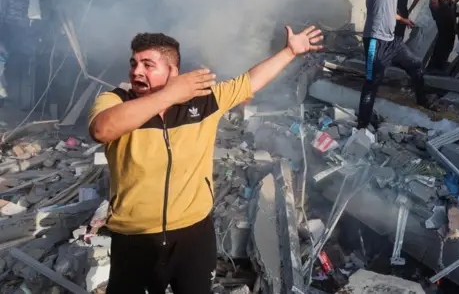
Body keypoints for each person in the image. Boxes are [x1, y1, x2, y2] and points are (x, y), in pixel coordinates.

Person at [89, 27, 323, 294]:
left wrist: (290, 51)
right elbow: (102, 130)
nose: (136, 71)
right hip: (134, 237)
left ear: (172, 71)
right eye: (134, 63)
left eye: (147, 65)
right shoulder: (116, 100)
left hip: (193, 235)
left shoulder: (203, 103)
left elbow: (249, 81)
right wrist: (167, 95)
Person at [357, 0, 447, 130]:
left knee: (416, 66)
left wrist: (401, 19)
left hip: (392, 41)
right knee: (371, 84)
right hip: (376, 42)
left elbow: (383, 8)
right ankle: (362, 126)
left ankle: (421, 99)